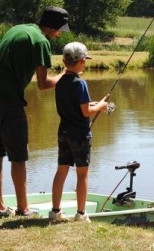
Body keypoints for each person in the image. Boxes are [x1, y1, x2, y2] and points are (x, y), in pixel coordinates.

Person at [0, 6, 70, 217]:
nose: (59, 34)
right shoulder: (41, 41)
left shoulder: (19, 28)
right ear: (53, 27)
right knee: (18, 154)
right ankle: (23, 208)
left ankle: (0, 207)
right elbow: (44, 84)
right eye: (59, 30)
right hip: (8, 98)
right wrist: (63, 75)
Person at [49, 42, 108, 222]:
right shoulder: (80, 84)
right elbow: (85, 112)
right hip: (80, 135)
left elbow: (75, 106)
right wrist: (100, 106)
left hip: (63, 132)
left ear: (64, 61)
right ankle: (81, 214)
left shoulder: (60, 82)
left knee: (61, 171)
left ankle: (55, 212)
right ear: (82, 61)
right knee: (82, 174)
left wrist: (93, 104)